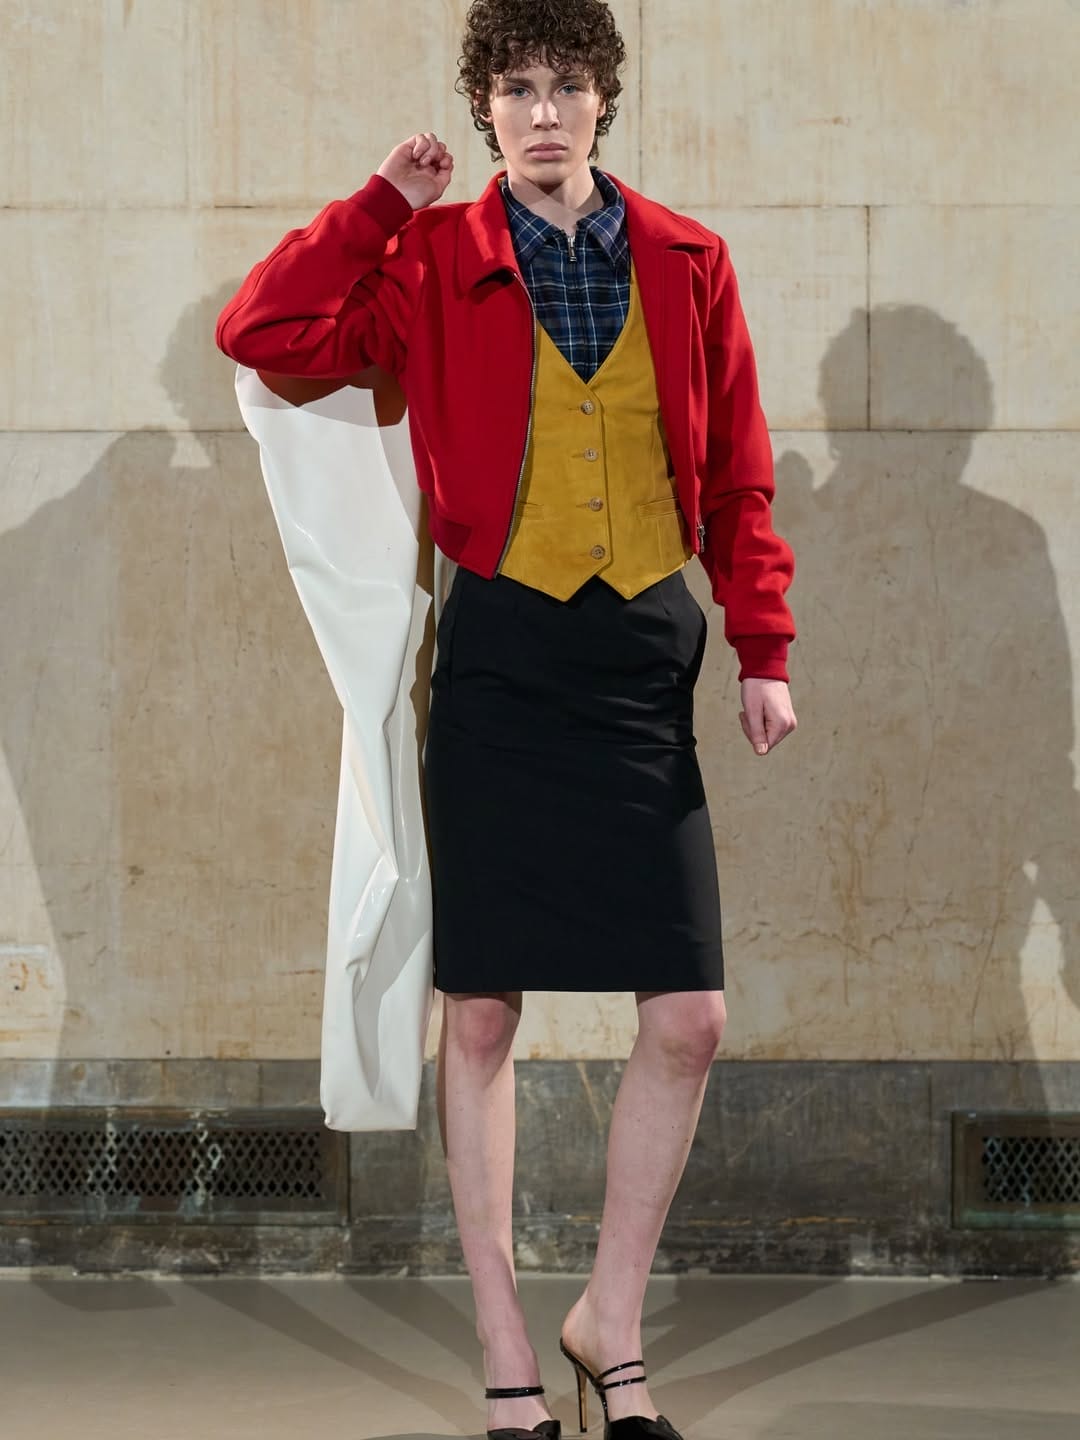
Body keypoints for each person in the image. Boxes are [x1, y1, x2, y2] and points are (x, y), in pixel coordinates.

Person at [216, 3, 797, 1436]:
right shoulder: (427, 258)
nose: (544, 110)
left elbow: (739, 471)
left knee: (691, 1016)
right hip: (498, 658)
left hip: (640, 660)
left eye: (568, 85)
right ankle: (506, 1353)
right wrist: (379, 203)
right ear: (484, 105)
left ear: (605, 100)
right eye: (518, 86)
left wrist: (761, 644)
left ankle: (611, 1322)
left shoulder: (689, 261)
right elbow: (262, 330)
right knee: (479, 1012)